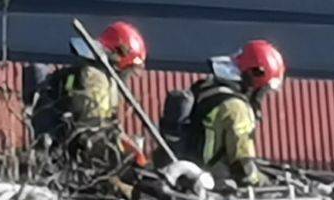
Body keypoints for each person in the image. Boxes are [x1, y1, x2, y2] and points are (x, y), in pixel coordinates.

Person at [30, 21, 148, 172]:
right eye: (130, 69)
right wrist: (126, 156)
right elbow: (93, 129)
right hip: (77, 162)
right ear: (121, 57)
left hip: (71, 154)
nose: (129, 76)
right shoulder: (96, 78)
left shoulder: (94, 75)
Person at [177, 40, 285, 189]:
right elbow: (243, 169)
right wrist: (268, 183)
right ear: (255, 77)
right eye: (264, 90)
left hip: (187, 177)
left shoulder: (205, 88)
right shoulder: (238, 109)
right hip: (214, 187)